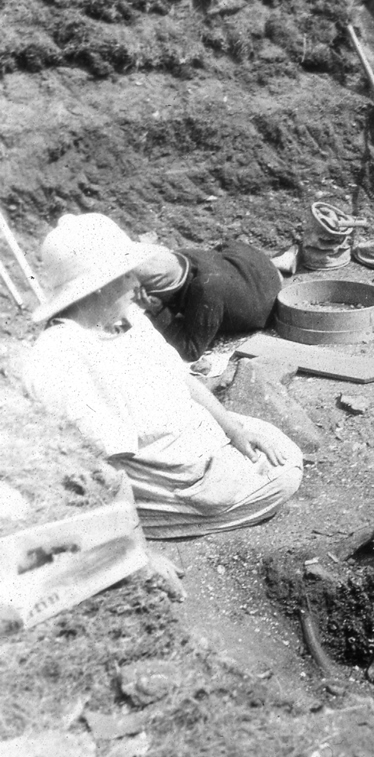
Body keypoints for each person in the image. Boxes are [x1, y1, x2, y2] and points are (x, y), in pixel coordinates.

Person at [22, 213, 304, 540]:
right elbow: (102, 468)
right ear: (98, 288)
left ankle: (212, 474)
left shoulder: (126, 318)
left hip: (189, 436)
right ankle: (155, 519)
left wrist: (234, 430)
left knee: (276, 443)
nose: (136, 285)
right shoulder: (61, 356)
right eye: (126, 276)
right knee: (285, 477)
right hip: (173, 476)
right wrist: (137, 547)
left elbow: (183, 379)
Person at [134, 238, 283, 362]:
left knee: (214, 286)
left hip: (263, 299)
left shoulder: (204, 290)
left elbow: (191, 351)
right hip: (251, 262)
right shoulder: (182, 256)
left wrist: (159, 312)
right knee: (220, 261)